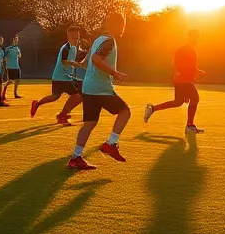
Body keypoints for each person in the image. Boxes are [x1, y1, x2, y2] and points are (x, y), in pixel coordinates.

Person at [68, 11, 130, 170]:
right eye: (122, 25)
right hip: (100, 88)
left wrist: (78, 64)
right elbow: (95, 59)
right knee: (125, 111)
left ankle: (76, 157)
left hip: (88, 88)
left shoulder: (98, 40)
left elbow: (86, 62)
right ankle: (111, 143)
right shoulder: (110, 41)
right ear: (115, 25)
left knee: (89, 123)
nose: (123, 29)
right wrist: (114, 73)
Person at [144, 28, 205, 133]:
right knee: (195, 98)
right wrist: (176, 72)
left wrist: (198, 71)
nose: (196, 39)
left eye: (197, 37)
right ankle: (190, 126)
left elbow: (191, 66)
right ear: (189, 37)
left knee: (178, 102)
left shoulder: (193, 50)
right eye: (194, 36)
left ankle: (152, 109)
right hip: (182, 79)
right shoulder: (183, 49)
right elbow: (175, 62)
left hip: (185, 80)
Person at [31, 25, 86, 125]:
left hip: (61, 77)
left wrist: (80, 62)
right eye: (75, 36)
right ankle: (63, 116)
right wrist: (75, 64)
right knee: (78, 95)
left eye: (78, 36)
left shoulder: (73, 47)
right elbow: (64, 61)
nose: (77, 38)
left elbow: (74, 59)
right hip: (62, 77)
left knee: (55, 96)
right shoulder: (66, 48)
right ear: (69, 36)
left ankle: (37, 103)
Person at [3, 35, 23, 100]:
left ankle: (15, 94)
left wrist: (18, 53)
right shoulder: (7, 48)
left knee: (17, 80)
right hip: (10, 66)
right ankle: (3, 93)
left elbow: (19, 56)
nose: (17, 40)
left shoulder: (17, 48)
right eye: (15, 39)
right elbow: (4, 57)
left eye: (17, 39)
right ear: (12, 40)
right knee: (11, 81)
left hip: (16, 66)